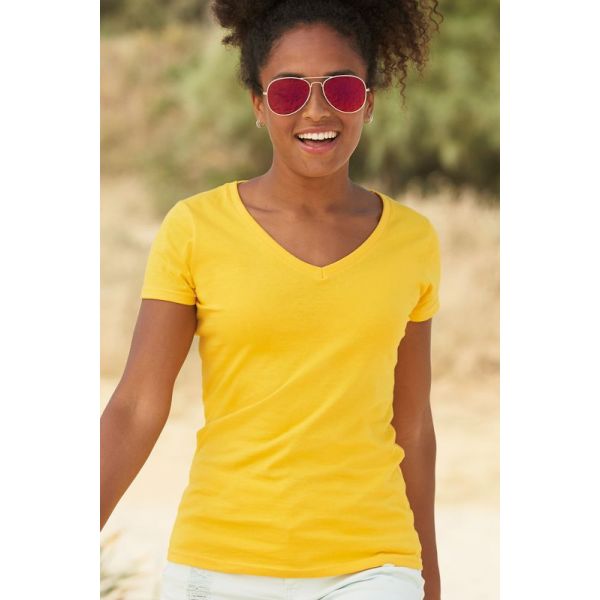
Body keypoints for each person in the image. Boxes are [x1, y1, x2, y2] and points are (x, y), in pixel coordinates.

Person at [100, 1, 442, 598]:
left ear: (368, 101)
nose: (317, 110)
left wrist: (427, 574)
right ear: (259, 106)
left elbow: (410, 424)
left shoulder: (412, 242)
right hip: (219, 562)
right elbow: (136, 406)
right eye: (288, 92)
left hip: (374, 564)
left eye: (341, 87)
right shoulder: (196, 229)